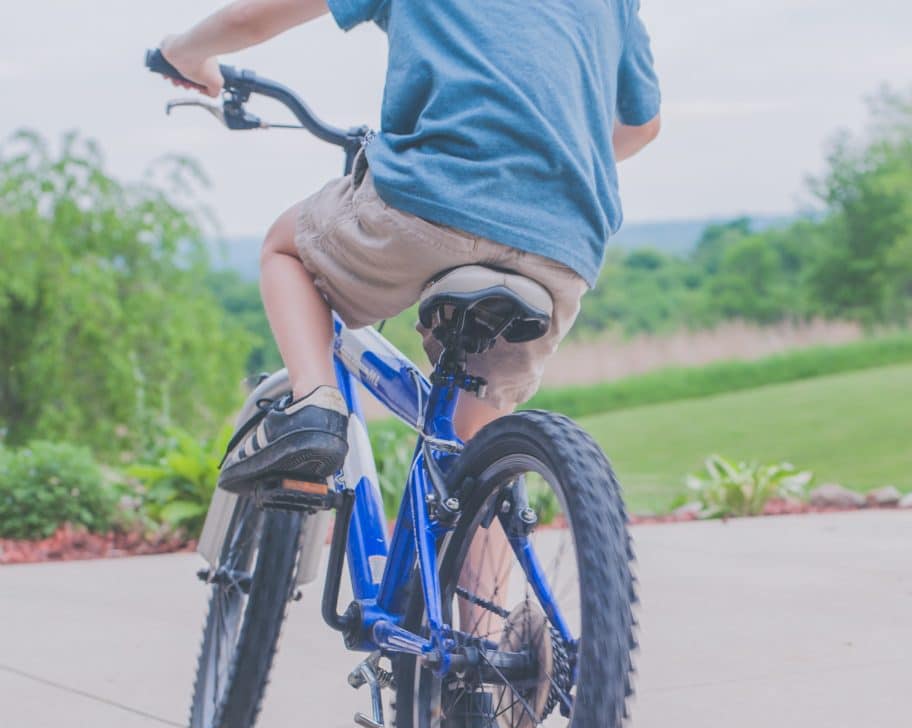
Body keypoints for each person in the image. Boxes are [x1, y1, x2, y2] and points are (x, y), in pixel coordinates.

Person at [155, 0, 662, 491]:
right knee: (479, 458)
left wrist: (185, 52)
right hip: (562, 241)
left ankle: (314, 405)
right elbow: (642, 126)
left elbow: (250, 17)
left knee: (285, 249)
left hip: (433, 200)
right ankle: (480, 576)